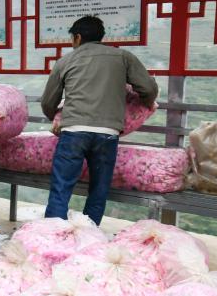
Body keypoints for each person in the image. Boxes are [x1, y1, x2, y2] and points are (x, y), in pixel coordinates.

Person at [40, 15, 157, 225]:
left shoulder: (65, 61)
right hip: (108, 133)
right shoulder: (123, 57)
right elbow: (148, 88)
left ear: (77, 37)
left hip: (73, 132)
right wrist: (146, 104)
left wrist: (56, 118)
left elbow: (49, 101)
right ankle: (90, 233)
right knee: (99, 189)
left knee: (61, 188)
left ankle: (52, 234)